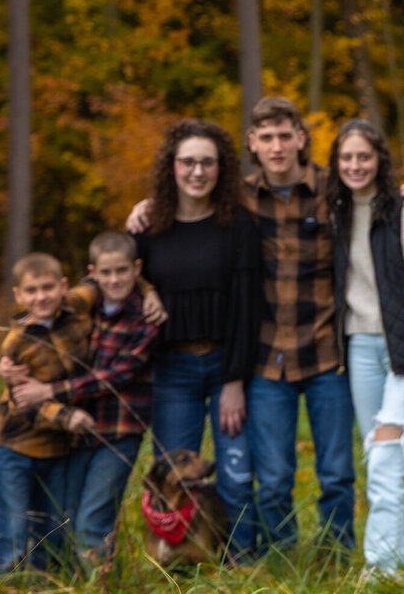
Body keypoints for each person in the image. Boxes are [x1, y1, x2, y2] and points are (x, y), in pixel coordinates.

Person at [127, 97, 404, 554]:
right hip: (266, 360)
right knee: (271, 478)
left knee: (336, 473)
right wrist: (150, 204)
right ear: (252, 143)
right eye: (266, 137)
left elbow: (372, 187)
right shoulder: (241, 199)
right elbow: (191, 197)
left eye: (285, 135)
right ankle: (281, 557)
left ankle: (334, 554)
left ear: (301, 139)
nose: (276, 145)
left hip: (326, 354)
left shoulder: (334, 192)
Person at [326, 119, 404, 572]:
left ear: (379, 159)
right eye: (346, 157)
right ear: (336, 164)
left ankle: (378, 571)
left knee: (383, 461)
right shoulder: (334, 212)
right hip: (359, 349)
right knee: (386, 464)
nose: (355, 165)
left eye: (364, 156)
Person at [133, 118, 263, 559]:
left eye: (208, 163)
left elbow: (248, 308)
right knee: (175, 479)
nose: (197, 172)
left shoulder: (239, 226)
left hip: (227, 368)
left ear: (221, 169)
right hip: (172, 374)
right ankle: (178, 566)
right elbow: (125, 285)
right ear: (172, 167)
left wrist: (234, 381)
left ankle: (242, 565)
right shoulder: (149, 228)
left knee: (236, 476)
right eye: (187, 162)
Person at [4, 231, 161, 568]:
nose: (114, 279)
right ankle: (71, 581)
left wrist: (49, 393)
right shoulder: (78, 306)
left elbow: (118, 374)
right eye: (106, 273)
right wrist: (8, 361)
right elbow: (32, 317)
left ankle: (102, 584)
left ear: (136, 269)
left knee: (93, 520)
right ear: (93, 272)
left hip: (119, 431)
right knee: (65, 516)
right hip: (76, 431)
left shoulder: (145, 316)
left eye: (122, 271)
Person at [0, 252, 98, 576]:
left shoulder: (77, 305)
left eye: (48, 287)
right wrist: (67, 416)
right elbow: (24, 400)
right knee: (13, 520)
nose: (42, 297)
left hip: (57, 448)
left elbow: (101, 278)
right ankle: (6, 580)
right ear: (19, 295)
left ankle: (46, 579)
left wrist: (148, 293)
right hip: (15, 445)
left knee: (52, 520)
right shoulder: (17, 343)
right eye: (32, 290)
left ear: (64, 286)